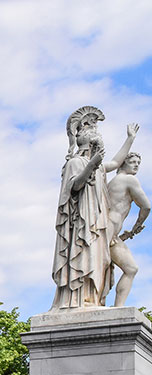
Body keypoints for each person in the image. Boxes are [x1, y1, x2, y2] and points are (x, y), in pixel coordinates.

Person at [51, 105, 139, 310]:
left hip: (96, 222)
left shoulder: (99, 166)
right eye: (98, 146)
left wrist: (130, 138)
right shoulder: (76, 162)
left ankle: (93, 299)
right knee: (83, 257)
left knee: (99, 261)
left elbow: (117, 162)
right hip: (81, 223)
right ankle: (77, 300)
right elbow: (74, 186)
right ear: (90, 145)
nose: (101, 151)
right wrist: (91, 164)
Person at [106, 152, 150, 307]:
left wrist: (129, 233)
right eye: (133, 161)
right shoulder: (129, 179)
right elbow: (146, 206)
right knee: (124, 269)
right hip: (109, 230)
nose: (137, 164)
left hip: (111, 232)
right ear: (123, 162)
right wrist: (137, 225)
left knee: (131, 268)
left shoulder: (112, 181)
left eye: (139, 162)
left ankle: (118, 309)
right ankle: (116, 307)